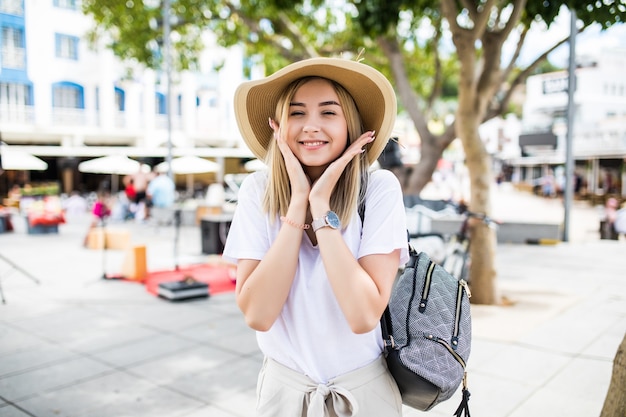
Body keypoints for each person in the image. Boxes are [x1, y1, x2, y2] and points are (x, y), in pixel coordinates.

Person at [222, 57, 409, 416]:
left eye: (328, 113)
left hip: (364, 394)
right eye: (296, 113)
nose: (311, 126)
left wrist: (321, 207)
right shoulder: (257, 189)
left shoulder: (379, 189)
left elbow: (363, 315)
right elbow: (258, 314)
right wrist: (296, 204)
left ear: (350, 125)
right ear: (278, 125)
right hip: (284, 393)